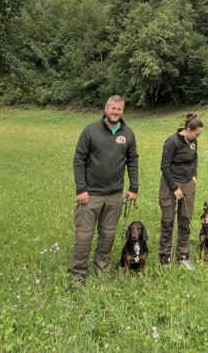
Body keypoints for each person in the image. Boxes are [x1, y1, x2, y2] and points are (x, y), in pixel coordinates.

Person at [68, 95, 139, 284]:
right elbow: (79, 160)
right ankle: (77, 274)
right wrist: (81, 189)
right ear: (105, 109)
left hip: (115, 194)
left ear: (123, 111)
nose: (116, 112)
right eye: (113, 108)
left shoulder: (128, 133)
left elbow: (132, 161)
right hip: (90, 194)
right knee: (84, 236)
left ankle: (102, 269)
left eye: (119, 109)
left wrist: (134, 186)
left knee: (108, 235)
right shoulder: (91, 131)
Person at [158, 112, 203, 270]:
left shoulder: (193, 141)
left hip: (188, 183)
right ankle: (165, 257)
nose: (198, 137)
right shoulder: (171, 142)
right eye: (196, 134)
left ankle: (183, 256)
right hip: (171, 183)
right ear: (189, 130)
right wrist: (174, 188)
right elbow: (164, 167)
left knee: (185, 220)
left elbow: (195, 158)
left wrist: (194, 175)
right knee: (168, 221)